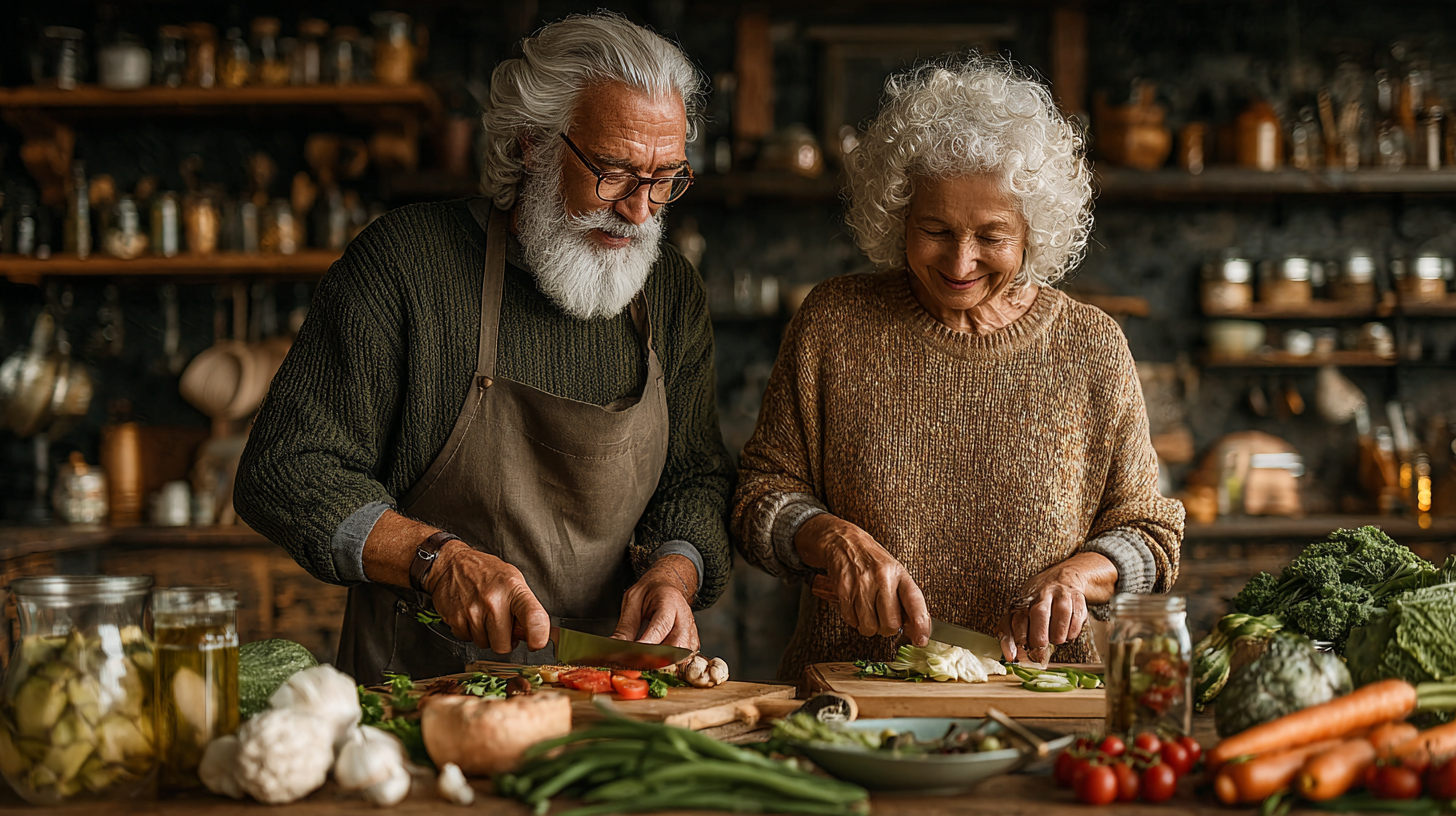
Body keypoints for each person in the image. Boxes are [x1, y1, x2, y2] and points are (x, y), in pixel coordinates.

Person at [235, 12, 734, 684]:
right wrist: (433, 559)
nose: (641, 211)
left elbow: (696, 477)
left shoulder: (670, 289)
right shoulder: (405, 265)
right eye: (614, 174)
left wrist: (674, 571)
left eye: (665, 178)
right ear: (532, 145)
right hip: (419, 697)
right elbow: (287, 467)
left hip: (615, 697)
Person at [731, 56, 1184, 681]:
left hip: (1040, 705)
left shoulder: (1091, 346)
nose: (961, 261)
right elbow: (757, 498)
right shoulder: (834, 323)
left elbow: (1150, 536)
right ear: (897, 217)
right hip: (851, 698)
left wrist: (1083, 575)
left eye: (992, 236)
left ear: (1033, 230)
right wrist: (829, 537)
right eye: (935, 229)